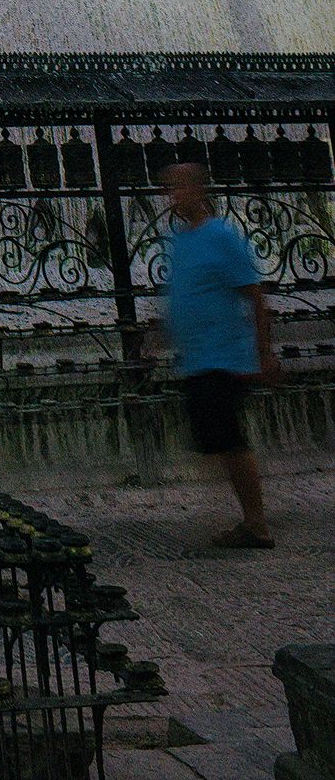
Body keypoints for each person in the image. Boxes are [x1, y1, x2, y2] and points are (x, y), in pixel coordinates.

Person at [160, 160, 280, 549]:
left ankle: (257, 524)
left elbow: (254, 294)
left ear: (199, 190)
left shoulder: (222, 236)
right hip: (197, 359)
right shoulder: (181, 241)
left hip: (224, 356)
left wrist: (265, 353)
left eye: (180, 187)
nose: (173, 196)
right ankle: (250, 517)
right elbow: (183, 296)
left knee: (230, 440)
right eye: (169, 189)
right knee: (220, 441)